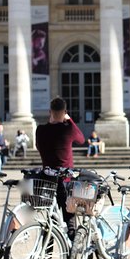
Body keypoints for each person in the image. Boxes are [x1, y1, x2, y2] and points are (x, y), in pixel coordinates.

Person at [36, 97, 86, 240]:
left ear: (50, 111)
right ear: (64, 112)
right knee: (70, 220)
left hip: (47, 180)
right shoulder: (68, 129)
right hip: (65, 180)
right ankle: (72, 258)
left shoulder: (41, 130)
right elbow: (82, 139)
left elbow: (39, 147)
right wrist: (69, 120)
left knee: (49, 221)